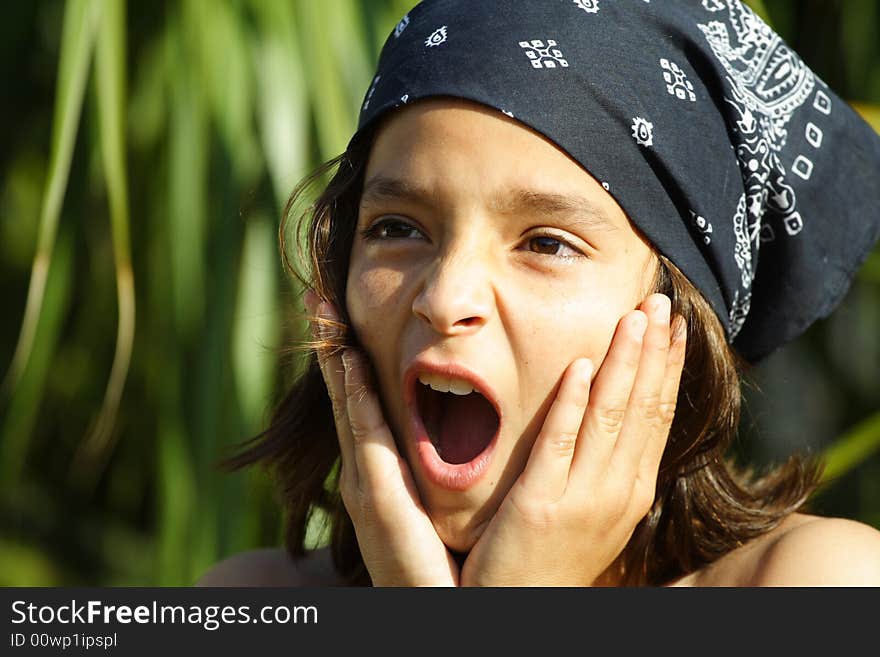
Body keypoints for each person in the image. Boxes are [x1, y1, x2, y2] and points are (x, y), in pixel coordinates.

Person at [197, 0, 880, 586]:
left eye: (545, 243)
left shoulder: (820, 582)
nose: (445, 296)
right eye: (398, 228)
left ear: (680, 320)